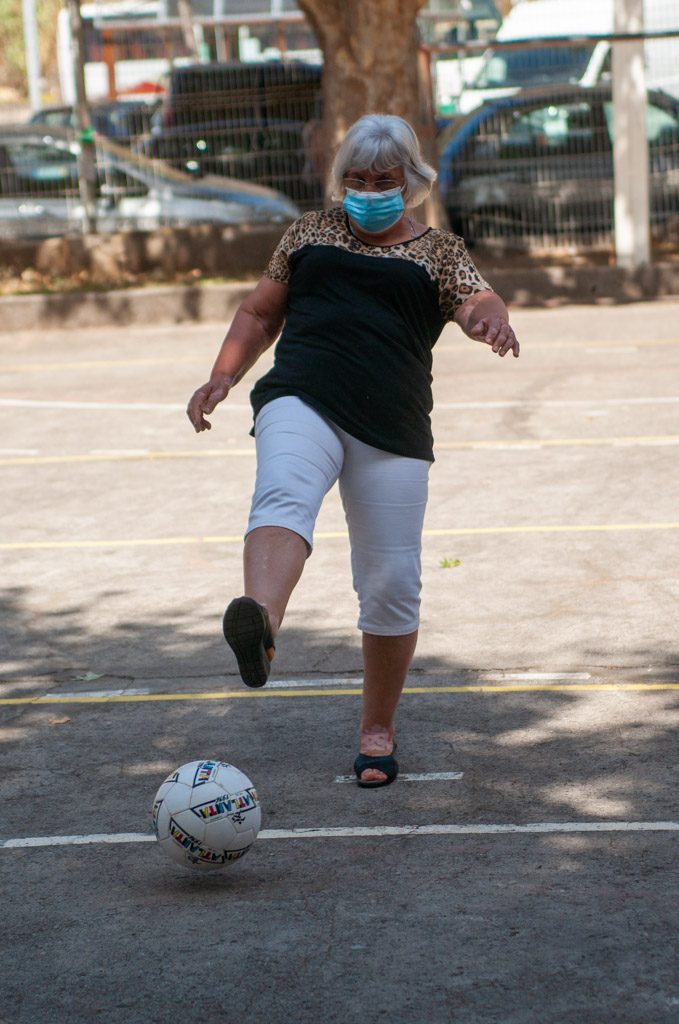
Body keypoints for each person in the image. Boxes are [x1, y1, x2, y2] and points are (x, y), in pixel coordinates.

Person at [187, 113, 520, 788]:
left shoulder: (438, 251)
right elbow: (258, 312)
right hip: (300, 395)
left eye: (383, 180)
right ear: (341, 181)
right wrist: (224, 373)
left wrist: (490, 318)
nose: (368, 190)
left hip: (392, 425)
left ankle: (377, 729)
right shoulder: (309, 232)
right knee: (284, 490)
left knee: (391, 580)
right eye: (356, 179)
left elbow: (476, 299)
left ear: (412, 181)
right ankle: (262, 622)